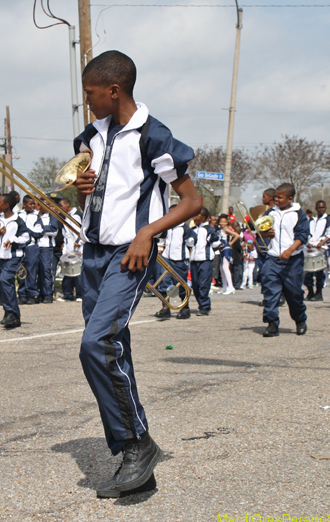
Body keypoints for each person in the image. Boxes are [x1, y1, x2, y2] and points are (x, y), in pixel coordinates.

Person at [72, 51, 202, 497]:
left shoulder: (154, 135)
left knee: (96, 343)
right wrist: (80, 191)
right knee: (112, 348)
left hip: (129, 253)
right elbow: (87, 198)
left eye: (89, 93)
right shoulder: (91, 135)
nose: (85, 101)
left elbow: (191, 201)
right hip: (93, 253)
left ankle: (135, 444)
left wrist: (147, 232)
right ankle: (136, 442)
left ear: (113, 90)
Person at [257, 183, 309, 337]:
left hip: (292, 260)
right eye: (275, 197)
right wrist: (267, 234)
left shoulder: (298, 213)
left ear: (290, 198)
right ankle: (272, 324)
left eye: (280, 197)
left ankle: (300, 320)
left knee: (293, 294)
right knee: (270, 292)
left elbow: (303, 236)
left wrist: (290, 250)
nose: (276, 200)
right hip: (272, 258)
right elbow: (263, 233)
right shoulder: (271, 212)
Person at [0, 193, 29, 328]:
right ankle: (14, 315)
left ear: (6, 205)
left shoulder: (18, 220)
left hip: (13, 256)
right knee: (3, 284)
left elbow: (26, 238)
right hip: (0, 256)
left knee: (5, 280)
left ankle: (9, 312)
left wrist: (12, 240)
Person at [154, 205, 196, 319]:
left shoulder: (185, 228)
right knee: (163, 283)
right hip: (166, 258)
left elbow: (191, 243)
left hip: (180, 260)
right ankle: (165, 307)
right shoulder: (167, 227)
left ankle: (185, 308)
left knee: (181, 284)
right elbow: (161, 241)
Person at [189, 208, 219, 316]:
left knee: (203, 283)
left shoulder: (209, 230)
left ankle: (204, 306)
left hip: (205, 260)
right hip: (194, 260)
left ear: (202, 217)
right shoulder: (192, 229)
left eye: (196, 215)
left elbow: (216, 244)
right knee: (195, 284)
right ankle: (200, 303)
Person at [304, 200, 330, 301]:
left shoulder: (328, 219)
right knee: (307, 272)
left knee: (319, 273)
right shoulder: (311, 220)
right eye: (319, 208)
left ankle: (319, 293)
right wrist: (307, 242)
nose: (321, 210)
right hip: (310, 248)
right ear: (316, 209)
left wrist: (322, 242)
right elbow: (307, 232)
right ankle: (310, 292)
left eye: (323, 208)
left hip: (321, 249)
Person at [17, 196, 42, 305]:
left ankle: (31, 294)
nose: (33, 206)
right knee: (21, 270)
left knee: (31, 271)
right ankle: (22, 294)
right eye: (30, 204)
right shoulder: (18, 216)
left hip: (32, 247)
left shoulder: (36, 216)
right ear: (24, 204)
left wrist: (28, 230)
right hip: (20, 246)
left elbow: (40, 232)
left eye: (33, 204)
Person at [58, 197, 83, 302]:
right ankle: (67, 294)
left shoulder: (77, 215)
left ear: (67, 204)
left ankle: (79, 294)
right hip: (69, 248)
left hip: (78, 247)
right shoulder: (65, 217)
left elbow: (82, 230)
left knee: (78, 272)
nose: (60, 208)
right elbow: (66, 234)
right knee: (68, 271)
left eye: (61, 205)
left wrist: (80, 242)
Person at [36, 200, 58, 304]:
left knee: (46, 270)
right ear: (39, 205)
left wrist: (40, 229)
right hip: (35, 247)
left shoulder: (51, 217)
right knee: (36, 271)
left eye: (49, 205)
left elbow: (54, 230)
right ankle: (39, 293)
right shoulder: (34, 216)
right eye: (46, 205)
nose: (48, 207)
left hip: (46, 248)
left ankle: (48, 294)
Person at [217, 214, 239, 295]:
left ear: (227, 223)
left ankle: (231, 286)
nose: (222, 223)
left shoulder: (226, 229)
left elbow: (236, 235)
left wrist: (231, 243)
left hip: (226, 249)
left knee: (225, 267)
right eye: (221, 222)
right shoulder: (221, 230)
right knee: (221, 268)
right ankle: (224, 286)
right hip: (222, 249)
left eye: (224, 222)